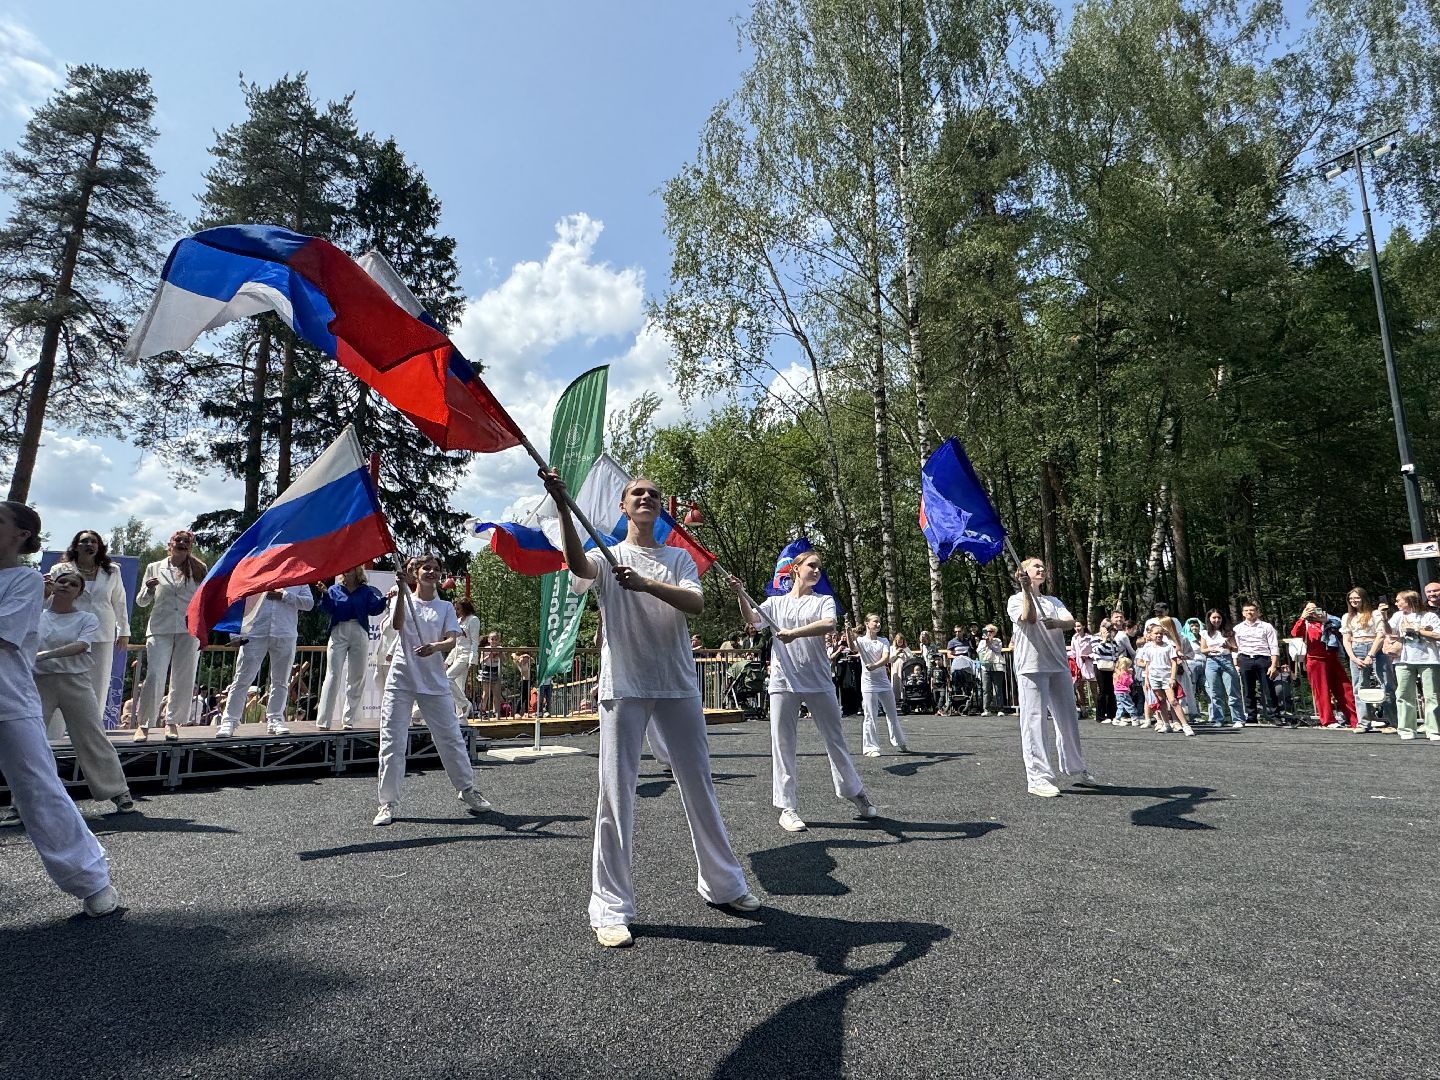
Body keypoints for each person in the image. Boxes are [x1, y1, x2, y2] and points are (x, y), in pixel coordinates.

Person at [544, 469, 759, 948]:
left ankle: (723, 885)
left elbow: (696, 604)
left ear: (661, 508)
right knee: (616, 794)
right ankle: (610, 907)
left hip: (677, 683)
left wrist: (645, 584)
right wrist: (562, 506)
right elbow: (577, 566)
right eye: (636, 493)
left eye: (653, 494)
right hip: (623, 684)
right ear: (623, 508)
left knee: (699, 785)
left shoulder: (679, 557)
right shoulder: (607, 554)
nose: (645, 497)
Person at [0, 502, 120, 915]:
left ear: (21, 534)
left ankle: (90, 878)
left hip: (8, 701)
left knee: (37, 789)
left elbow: (3, 637)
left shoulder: (25, 581)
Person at [729, 550, 877, 832]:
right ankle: (787, 807)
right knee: (783, 743)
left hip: (818, 680)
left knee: (835, 740)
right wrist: (740, 593)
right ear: (795, 569)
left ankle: (853, 791)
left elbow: (829, 624)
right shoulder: (774, 603)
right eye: (812, 565)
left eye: (819, 567)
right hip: (783, 682)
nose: (817, 571)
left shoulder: (823, 601)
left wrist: (794, 633)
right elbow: (752, 620)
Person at [373, 555, 493, 825]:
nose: (432, 572)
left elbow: (452, 640)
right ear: (415, 573)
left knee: (450, 737)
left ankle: (467, 789)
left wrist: (434, 648)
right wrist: (402, 593)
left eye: (436, 569)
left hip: (434, 680)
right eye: (426, 568)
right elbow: (396, 625)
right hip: (402, 679)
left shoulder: (445, 608)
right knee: (392, 741)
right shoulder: (400, 599)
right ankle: (387, 803)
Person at [35, 568, 135, 813]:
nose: (65, 585)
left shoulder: (87, 618)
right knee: (32, 742)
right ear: (53, 585)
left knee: (91, 736)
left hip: (75, 682)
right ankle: (23, 803)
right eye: (62, 581)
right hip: (40, 683)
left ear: (79, 593)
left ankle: (117, 790)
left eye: (72, 584)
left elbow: (81, 645)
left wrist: (45, 655)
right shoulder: (35, 616)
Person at [1007, 557, 1092, 796]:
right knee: (1034, 720)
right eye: (1036, 566)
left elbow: (1070, 622)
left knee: (1068, 719)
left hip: (1058, 664)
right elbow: (1029, 617)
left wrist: (1055, 621)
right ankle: (1038, 777)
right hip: (1032, 666)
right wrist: (1025, 590)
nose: (1042, 569)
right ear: (1022, 573)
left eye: (1043, 566)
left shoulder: (1053, 601)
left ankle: (1076, 767)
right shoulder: (1015, 600)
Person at [134, 530, 206, 744]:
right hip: (160, 628)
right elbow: (141, 602)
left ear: (191, 546)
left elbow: (204, 599)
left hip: (188, 629)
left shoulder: (199, 568)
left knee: (183, 677)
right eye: (178, 541)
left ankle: (172, 722)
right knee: (155, 675)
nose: (182, 544)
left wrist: (203, 628)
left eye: (187, 541)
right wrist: (147, 590)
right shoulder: (154, 567)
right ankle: (144, 724)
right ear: (170, 544)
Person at [215, 585, 314, 738]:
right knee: (242, 679)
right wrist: (234, 633)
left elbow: (309, 604)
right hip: (254, 632)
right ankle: (229, 721)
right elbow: (238, 599)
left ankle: (275, 719)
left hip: (284, 633)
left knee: (281, 680)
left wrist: (284, 596)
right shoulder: (257, 570)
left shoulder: (297, 575)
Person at [52, 529, 130, 720]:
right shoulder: (61, 570)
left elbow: (119, 601)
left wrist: (124, 630)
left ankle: (93, 725)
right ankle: (58, 729)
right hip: (70, 631)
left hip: (102, 632)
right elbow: (50, 601)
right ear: (76, 546)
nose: (89, 545)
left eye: (94, 541)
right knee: (66, 679)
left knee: (99, 682)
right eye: (84, 541)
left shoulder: (112, 570)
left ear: (99, 546)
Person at [313, 567, 386, 731]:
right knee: (333, 675)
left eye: (350, 569)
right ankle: (324, 720)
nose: (345, 571)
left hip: (359, 630)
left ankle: (349, 720)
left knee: (357, 677)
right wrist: (324, 594)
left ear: (357, 571)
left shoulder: (365, 591)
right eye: (344, 569)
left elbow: (374, 609)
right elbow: (328, 609)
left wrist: (384, 599)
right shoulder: (334, 589)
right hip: (338, 631)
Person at [1378, 589, 1440, 742]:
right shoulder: (1398, 616)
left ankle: (1433, 729)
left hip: (1429, 659)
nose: (1396, 603)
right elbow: (1389, 632)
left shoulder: (1429, 616)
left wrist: (1417, 630)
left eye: (1399, 600)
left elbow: (1438, 634)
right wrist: (1384, 618)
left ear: (1410, 601)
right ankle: (1407, 729)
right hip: (1404, 659)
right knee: (1404, 694)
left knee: (1431, 695)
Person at [1291, 602, 1358, 728]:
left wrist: (1324, 618)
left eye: (1315, 608)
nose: (1313, 611)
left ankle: (1355, 719)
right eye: (1309, 609)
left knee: (1345, 688)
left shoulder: (1327, 620)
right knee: (1322, 690)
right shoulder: (1306, 623)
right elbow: (1295, 633)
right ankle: (1328, 720)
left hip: (1333, 657)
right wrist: (1302, 617)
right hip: (1315, 660)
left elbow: (1340, 624)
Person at [849, 614, 908, 756]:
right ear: (867, 624)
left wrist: (874, 665)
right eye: (875, 622)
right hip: (868, 683)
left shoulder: (883, 640)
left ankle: (899, 741)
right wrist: (847, 631)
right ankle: (870, 748)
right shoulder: (861, 641)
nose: (878, 624)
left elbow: (886, 658)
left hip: (883, 682)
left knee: (892, 713)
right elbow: (852, 647)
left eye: (879, 622)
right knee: (870, 715)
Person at [1342, 588, 1394, 732]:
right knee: (1359, 686)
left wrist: (1370, 655)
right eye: (1351, 599)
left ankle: (1392, 721)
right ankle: (1363, 722)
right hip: (1356, 648)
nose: (1353, 601)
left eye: (1356, 598)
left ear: (1364, 598)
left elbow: (1381, 635)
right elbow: (1346, 639)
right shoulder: (1347, 616)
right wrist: (1353, 658)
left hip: (1376, 648)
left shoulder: (1374, 613)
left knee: (1386, 684)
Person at [1137, 623, 1193, 735]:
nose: (1159, 635)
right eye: (1156, 633)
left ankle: (1185, 725)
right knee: (1161, 701)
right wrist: (1147, 680)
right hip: (1154, 678)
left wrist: (1172, 678)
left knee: (1173, 701)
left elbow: (1174, 663)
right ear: (1151, 635)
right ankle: (1166, 724)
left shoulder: (1168, 647)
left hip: (1166, 677)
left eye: (1161, 633)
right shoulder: (1148, 648)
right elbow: (1147, 664)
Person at [1233, 602, 1280, 726]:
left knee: (1268, 688)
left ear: (1257, 612)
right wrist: (1236, 663)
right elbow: (1235, 647)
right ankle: (1251, 715)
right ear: (1243, 613)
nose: (1250, 612)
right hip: (1245, 659)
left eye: (1252, 610)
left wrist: (1273, 665)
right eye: (1247, 610)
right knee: (1248, 689)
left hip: (1263, 659)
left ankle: (1274, 715)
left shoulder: (1267, 626)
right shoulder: (1237, 628)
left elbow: (1274, 646)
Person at [1199, 609, 1245, 727]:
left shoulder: (1228, 632)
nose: (1216, 620)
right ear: (1209, 619)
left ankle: (1238, 719)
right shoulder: (1205, 633)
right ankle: (1219, 718)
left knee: (1232, 690)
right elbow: (1203, 649)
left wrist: (1228, 645)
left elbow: (1235, 648)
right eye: (1214, 618)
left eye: (1218, 617)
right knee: (1215, 692)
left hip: (1226, 659)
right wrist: (1210, 650)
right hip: (1211, 661)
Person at [448, 598, 481, 719]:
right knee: (458, 686)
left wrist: (473, 659)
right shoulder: (458, 621)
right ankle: (461, 715)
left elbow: (474, 641)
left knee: (447, 678)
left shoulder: (473, 620)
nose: (456, 611)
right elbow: (456, 643)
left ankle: (465, 704)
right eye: (455, 609)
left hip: (466, 656)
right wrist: (448, 660)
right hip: (457, 654)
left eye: (458, 609)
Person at [1091, 623, 1120, 722]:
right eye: (1106, 628)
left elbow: (1116, 653)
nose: (1108, 631)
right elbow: (1097, 650)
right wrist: (1103, 640)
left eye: (1110, 629)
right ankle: (1100, 716)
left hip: (1111, 667)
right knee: (1102, 691)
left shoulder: (1113, 641)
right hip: (1100, 666)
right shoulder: (1095, 638)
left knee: (1111, 691)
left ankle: (1111, 714)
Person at [979, 624, 1008, 716]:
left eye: (991, 631)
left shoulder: (997, 640)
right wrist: (985, 643)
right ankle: (986, 709)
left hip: (997, 666)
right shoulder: (981, 642)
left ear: (994, 632)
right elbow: (979, 652)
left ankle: (1000, 709)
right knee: (986, 689)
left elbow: (998, 650)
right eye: (987, 631)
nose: (989, 633)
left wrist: (990, 642)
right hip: (985, 667)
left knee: (998, 688)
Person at [1070, 621, 1097, 715]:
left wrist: (1088, 656)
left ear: (1083, 626)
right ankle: (1083, 709)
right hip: (1079, 666)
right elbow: (1073, 652)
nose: (1077, 628)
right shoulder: (1074, 638)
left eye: (1079, 626)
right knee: (1080, 689)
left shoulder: (1090, 638)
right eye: (1075, 626)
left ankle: (1098, 709)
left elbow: (1096, 652)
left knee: (1094, 689)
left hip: (1089, 666)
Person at [476, 631, 502, 717]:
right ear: (489, 640)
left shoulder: (500, 648)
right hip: (486, 670)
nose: (494, 641)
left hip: (496, 670)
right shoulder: (485, 649)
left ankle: (496, 711)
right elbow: (481, 661)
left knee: (496, 693)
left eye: (496, 639)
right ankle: (482, 710)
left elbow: (504, 660)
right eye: (492, 639)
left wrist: (500, 655)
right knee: (486, 692)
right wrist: (488, 656)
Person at [1112, 657, 1138, 724]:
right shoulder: (1124, 674)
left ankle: (1117, 719)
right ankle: (1134, 718)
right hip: (1123, 692)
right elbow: (1127, 682)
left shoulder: (1116, 673)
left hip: (1117, 691)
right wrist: (1130, 675)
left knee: (1120, 706)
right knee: (1129, 704)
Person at [513, 651, 533, 716]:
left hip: (528, 681)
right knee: (522, 697)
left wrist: (528, 656)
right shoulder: (520, 664)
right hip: (523, 681)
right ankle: (517, 712)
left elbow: (533, 660)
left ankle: (526, 712)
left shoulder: (528, 663)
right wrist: (521, 657)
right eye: (525, 658)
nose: (526, 659)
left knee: (528, 697)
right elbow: (513, 656)